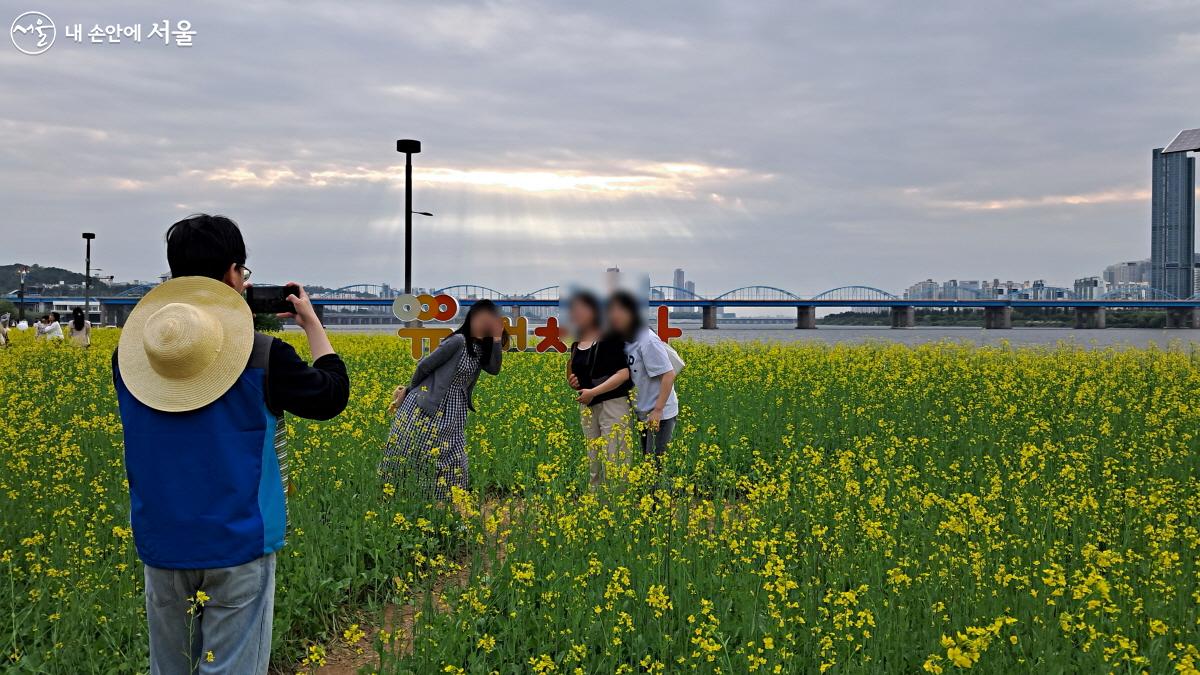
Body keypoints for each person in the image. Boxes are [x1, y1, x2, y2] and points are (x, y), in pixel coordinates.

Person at [112, 214, 349, 674]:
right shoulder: (263, 355)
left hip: (162, 541)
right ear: (231, 275)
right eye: (242, 272)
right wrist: (312, 325)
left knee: (172, 668)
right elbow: (330, 395)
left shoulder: (132, 358)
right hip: (238, 541)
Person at [383, 300, 505, 500]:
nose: (485, 324)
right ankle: (407, 501)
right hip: (429, 406)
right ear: (471, 319)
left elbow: (494, 369)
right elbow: (424, 366)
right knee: (417, 454)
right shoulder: (457, 341)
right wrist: (411, 391)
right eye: (482, 319)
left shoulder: (481, 347)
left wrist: (498, 339)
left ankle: (448, 504)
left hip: (454, 411)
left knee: (455, 459)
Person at [565, 291, 633, 488]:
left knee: (616, 458)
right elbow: (580, 374)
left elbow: (623, 373)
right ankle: (596, 506)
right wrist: (574, 383)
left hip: (613, 405)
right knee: (593, 459)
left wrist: (593, 392)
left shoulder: (610, 337)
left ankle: (619, 506)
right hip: (587, 406)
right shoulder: (578, 343)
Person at [607, 290, 679, 460]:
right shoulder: (622, 340)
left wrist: (658, 410)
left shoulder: (647, 340)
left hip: (660, 412)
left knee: (655, 464)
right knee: (647, 460)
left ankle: (661, 488)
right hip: (643, 411)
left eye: (619, 310)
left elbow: (668, 375)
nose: (614, 315)